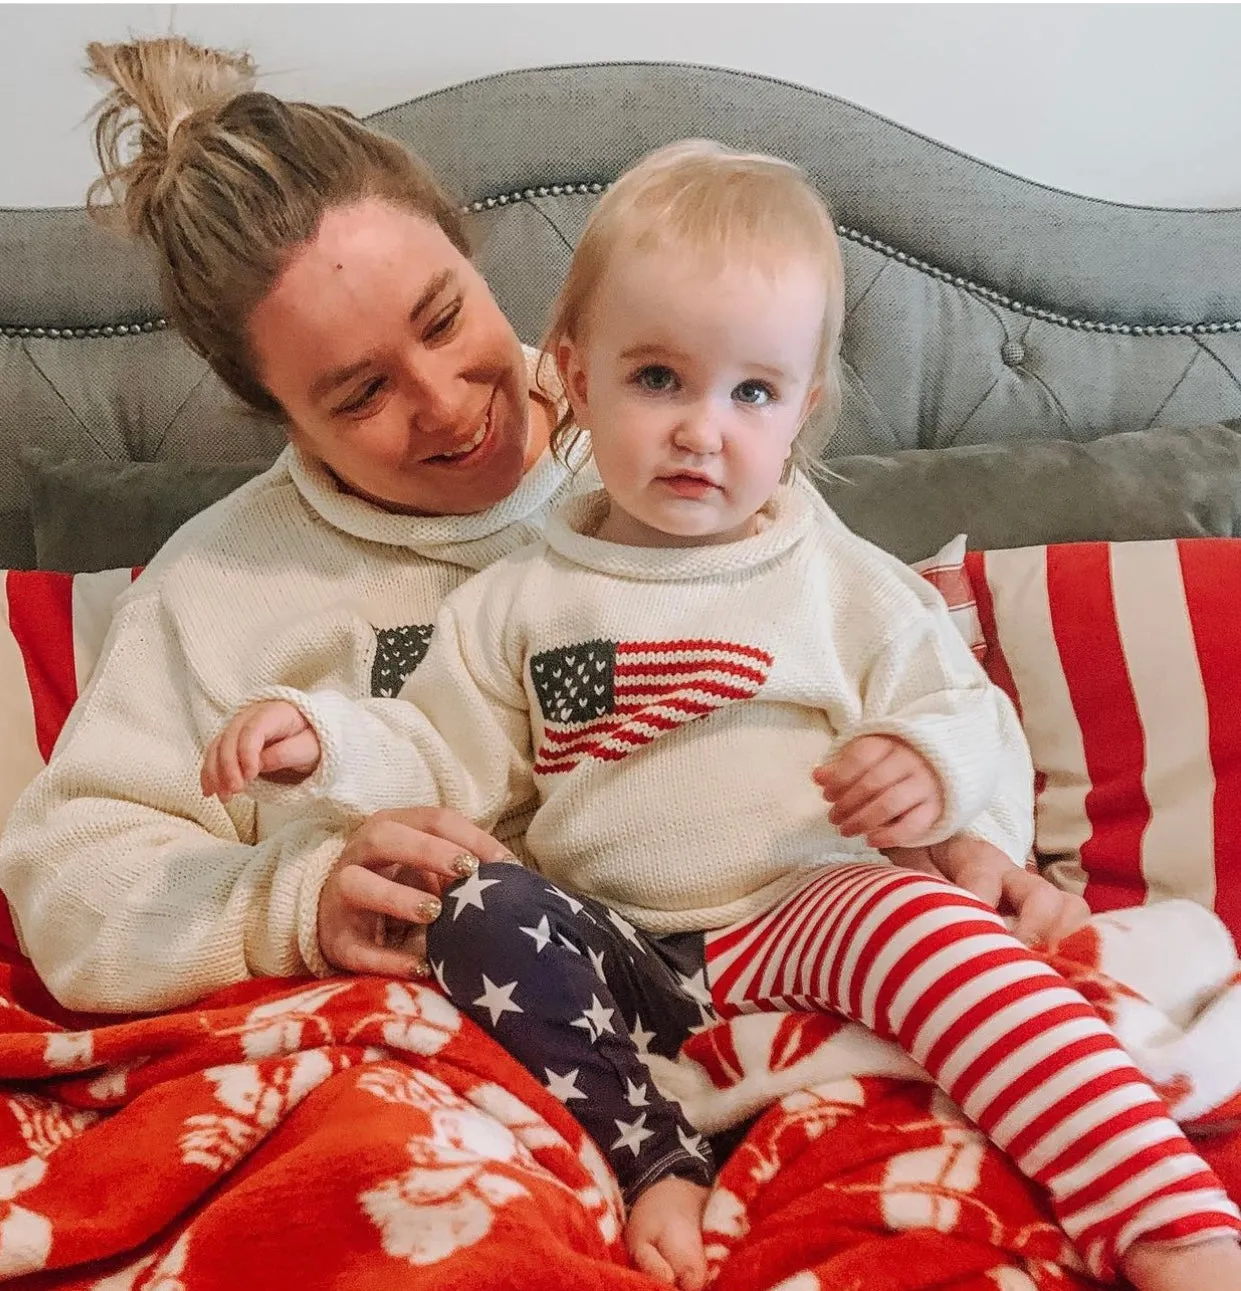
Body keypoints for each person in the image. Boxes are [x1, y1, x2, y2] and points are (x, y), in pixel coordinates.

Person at [201, 142, 1241, 1291]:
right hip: (619, 947)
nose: (703, 428)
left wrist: (921, 762)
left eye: (751, 391)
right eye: (658, 379)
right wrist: (320, 739)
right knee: (477, 908)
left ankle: (1164, 1224)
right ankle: (654, 1160)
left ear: (800, 412)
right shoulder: (519, 599)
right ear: (575, 378)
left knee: (944, 936)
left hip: (806, 905)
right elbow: (439, 754)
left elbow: (951, 698)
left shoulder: (831, 575)